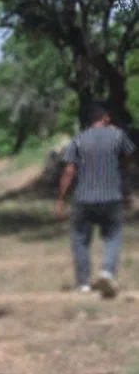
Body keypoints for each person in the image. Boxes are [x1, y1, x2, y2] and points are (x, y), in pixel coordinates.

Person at [56, 104, 136, 297]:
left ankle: (83, 283)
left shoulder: (78, 139)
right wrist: (119, 167)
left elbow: (69, 171)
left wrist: (61, 198)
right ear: (105, 118)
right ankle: (107, 272)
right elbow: (131, 156)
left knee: (80, 239)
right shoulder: (118, 136)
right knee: (113, 236)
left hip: (83, 198)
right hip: (111, 196)